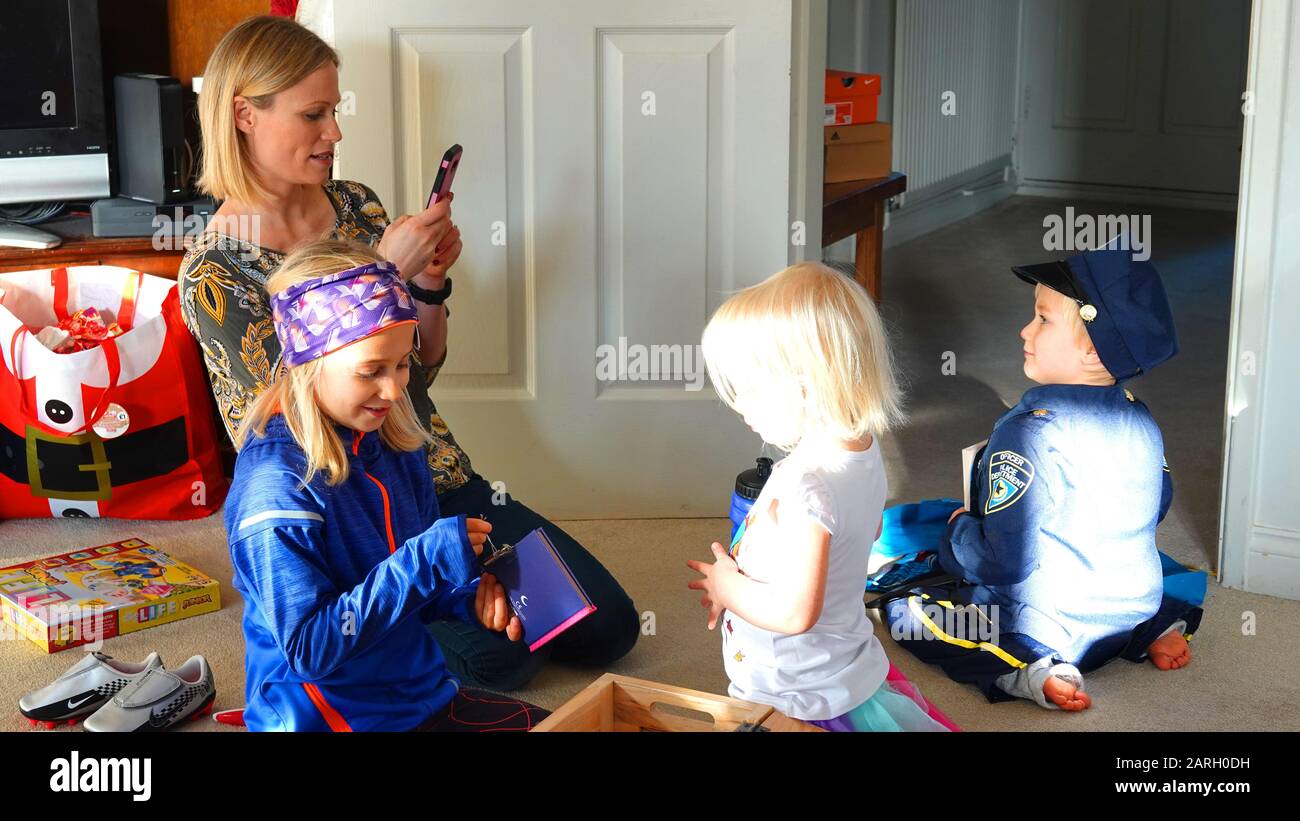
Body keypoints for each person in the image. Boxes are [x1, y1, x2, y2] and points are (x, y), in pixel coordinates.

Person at [179, 15, 638, 691]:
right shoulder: (214, 273)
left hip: (437, 479)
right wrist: (382, 275)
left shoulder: (356, 205)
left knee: (609, 625)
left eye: (333, 111)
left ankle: (444, 604)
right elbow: (273, 424)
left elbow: (414, 374)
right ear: (245, 115)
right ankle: (399, 618)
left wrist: (424, 285)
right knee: (498, 656)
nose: (334, 132)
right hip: (346, 521)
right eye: (314, 114)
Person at [225, 238, 549, 731]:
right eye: (371, 371)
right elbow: (311, 650)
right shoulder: (274, 489)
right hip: (324, 719)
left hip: (419, 696)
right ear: (307, 364)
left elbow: (410, 591)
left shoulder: (393, 442)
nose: (395, 389)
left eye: (401, 364)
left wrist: (467, 594)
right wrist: (424, 560)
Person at [883, 245, 1203, 712]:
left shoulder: (1028, 432)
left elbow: (1004, 560)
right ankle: (1154, 628)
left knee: (910, 612)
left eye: (1043, 320)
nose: (1024, 330)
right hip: (1133, 603)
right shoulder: (1142, 418)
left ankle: (1031, 667)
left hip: (1052, 626)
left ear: (1094, 349)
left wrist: (957, 532)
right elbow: (1156, 502)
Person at [686, 262, 956, 732]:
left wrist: (728, 587)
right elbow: (865, 533)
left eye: (749, 391)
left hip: (798, 693)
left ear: (806, 389)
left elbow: (794, 613)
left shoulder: (805, 486)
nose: (739, 406)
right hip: (839, 663)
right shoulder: (862, 450)